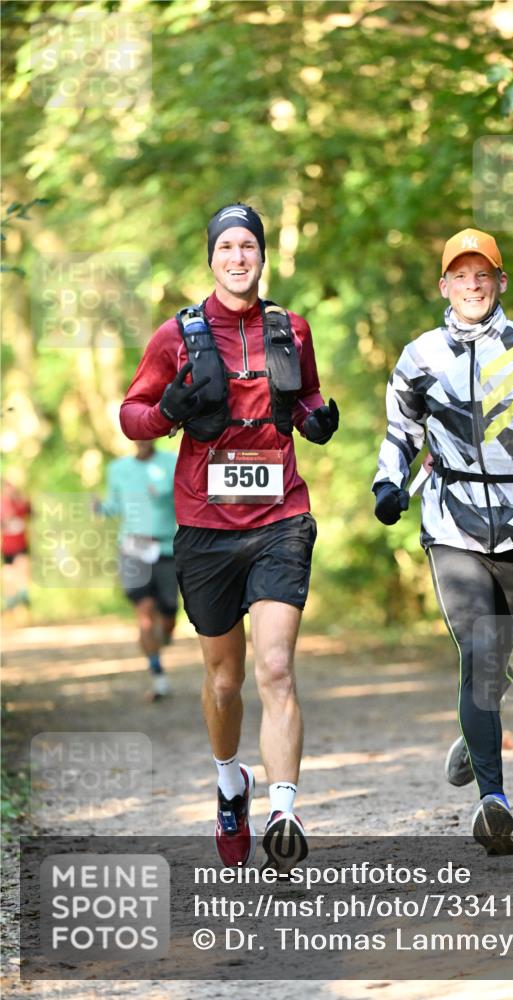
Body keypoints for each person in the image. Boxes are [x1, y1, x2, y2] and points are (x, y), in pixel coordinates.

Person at [119, 202, 339, 872]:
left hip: (279, 519)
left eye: (249, 246)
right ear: (211, 257)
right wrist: (167, 412)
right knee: (224, 682)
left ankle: (283, 811)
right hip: (205, 527)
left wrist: (315, 418)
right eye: (227, 247)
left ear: (261, 256)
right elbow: (131, 417)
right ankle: (228, 782)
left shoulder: (289, 328)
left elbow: (304, 397)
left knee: (275, 668)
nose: (238, 257)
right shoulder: (175, 336)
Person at [373, 228, 513, 856]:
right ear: (443, 284)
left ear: (500, 282)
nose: (472, 286)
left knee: (493, 666)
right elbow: (400, 431)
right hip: (450, 518)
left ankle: (476, 737)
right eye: (460, 276)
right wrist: (388, 485)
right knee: (478, 648)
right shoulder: (420, 356)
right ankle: (494, 801)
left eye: (484, 276)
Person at [95, 440, 178, 700]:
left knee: (168, 616)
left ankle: (164, 635)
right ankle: (158, 676)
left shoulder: (172, 462)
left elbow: (187, 497)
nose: (142, 440)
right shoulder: (118, 468)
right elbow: (114, 506)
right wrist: (99, 507)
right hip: (132, 549)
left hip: (166, 548)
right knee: (144, 613)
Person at [1, 478, 31, 613]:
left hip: (21, 544)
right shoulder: (2, 504)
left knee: (22, 568)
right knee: (9, 573)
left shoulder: (19, 502)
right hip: (8, 547)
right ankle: (10, 601)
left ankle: (23, 595)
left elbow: (30, 511)